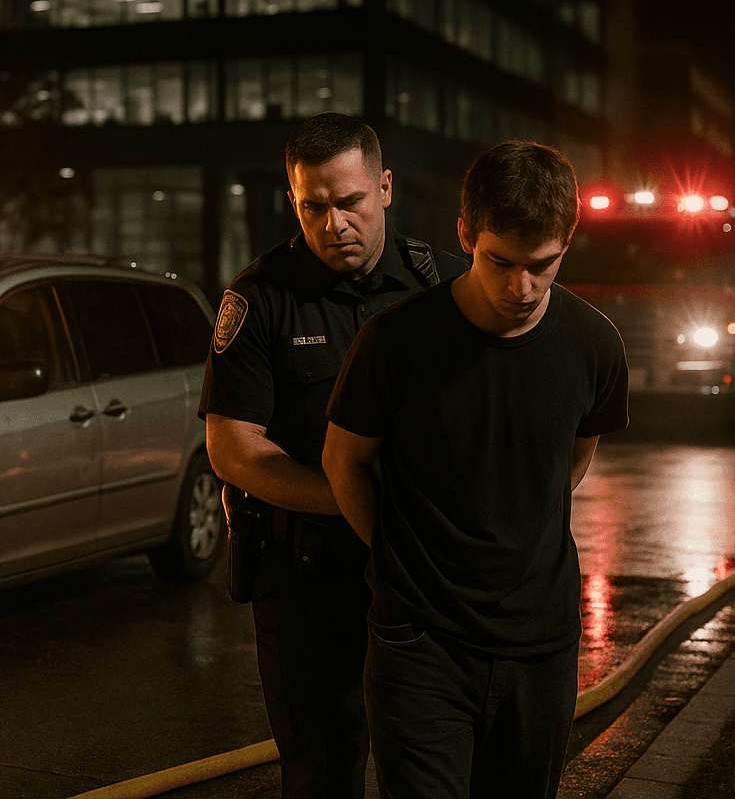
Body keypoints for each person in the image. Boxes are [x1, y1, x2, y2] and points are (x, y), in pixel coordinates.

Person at [322, 140, 629, 799]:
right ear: (465, 234)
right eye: (500, 262)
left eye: (542, 266)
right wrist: (402, 553)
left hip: (541, 643)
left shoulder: (594, 344)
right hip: (420, 643)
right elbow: (343, 463)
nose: (521, 288)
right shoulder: (395, 341)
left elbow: (572, 454)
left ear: (566, 245)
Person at [198, 111, 467, 799]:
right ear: (293, 200)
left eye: (349, 202)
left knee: (435, 763)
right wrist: (353, 498)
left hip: (423, 569)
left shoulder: (446, 289)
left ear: (383, 187)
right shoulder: (260, 299)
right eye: (312, 206)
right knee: (322, 772)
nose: (332, 224)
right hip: (306, 576)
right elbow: (233, 449)